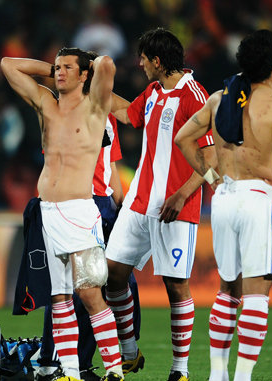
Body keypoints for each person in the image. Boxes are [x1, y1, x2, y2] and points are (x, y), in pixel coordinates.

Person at [175, 29, 272, 381]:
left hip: (223, 198)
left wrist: (210, 178)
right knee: (256, 291)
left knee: (227, 289)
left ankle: (218, 375)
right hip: (258, 199)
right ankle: (242, 378)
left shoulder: (220, 99)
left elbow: (183, 138)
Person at [2, 48, 124, 381]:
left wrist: (91, 64)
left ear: (85, 75)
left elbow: (108, 65)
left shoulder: (96, 107)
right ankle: (69, 372)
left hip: (80, 213)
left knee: (89, 293)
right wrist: (55, 69)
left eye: (68, 68)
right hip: (47, 212)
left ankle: (115, 370)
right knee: (58, 298)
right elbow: (8, 65)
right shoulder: (45, 102)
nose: (59, 73)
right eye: (57, 68)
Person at [105, 28, 216, 381]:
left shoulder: (196, 97)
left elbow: (213, 159)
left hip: (175, 207)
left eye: (143, 58)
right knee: (112, 275)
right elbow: (128, 114)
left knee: (175, 286)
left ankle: (179, 371)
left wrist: (183, 193)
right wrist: (93, 91)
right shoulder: (153, 91)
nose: (139, 63)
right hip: (139, 201)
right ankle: (129, 352)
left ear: (157, 61)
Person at [37, 111, 142, 381]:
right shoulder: (61, 111)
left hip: (104, 205)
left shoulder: (106, 113)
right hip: (75, 202)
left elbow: (111, 165)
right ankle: (60, 362)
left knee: (110, 283)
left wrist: (120, 207)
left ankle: (82, 362)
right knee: (72, 289)